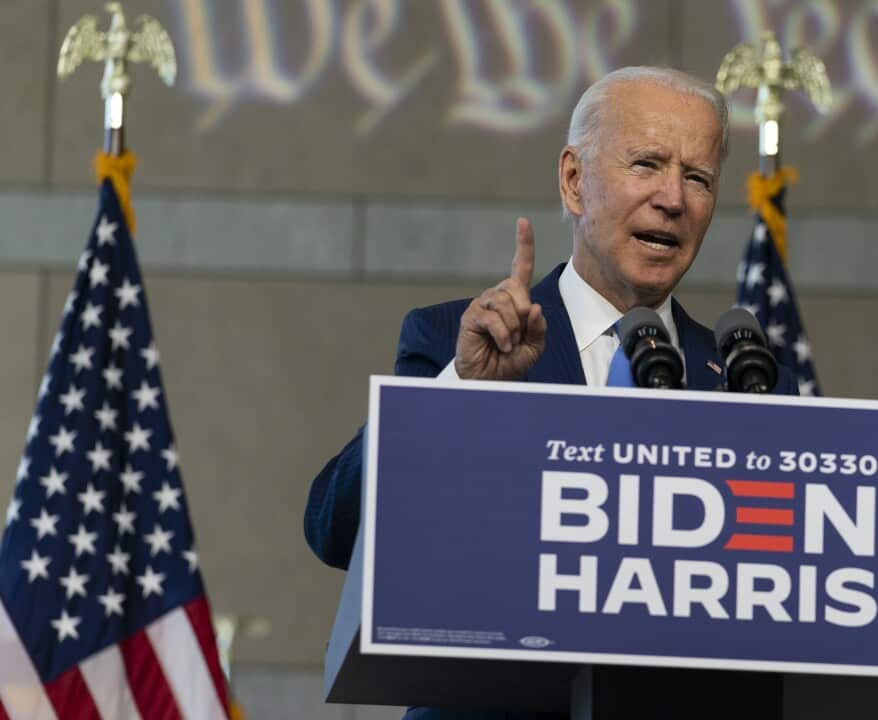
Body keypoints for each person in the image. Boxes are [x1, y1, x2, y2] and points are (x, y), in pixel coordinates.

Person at [304, 66, 797, 719]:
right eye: (646, 164)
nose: (672, 198)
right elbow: (334, 529)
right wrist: (461, 393)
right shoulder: (459, 344)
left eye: (698, 178)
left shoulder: (748, 378)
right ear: (573, 180)